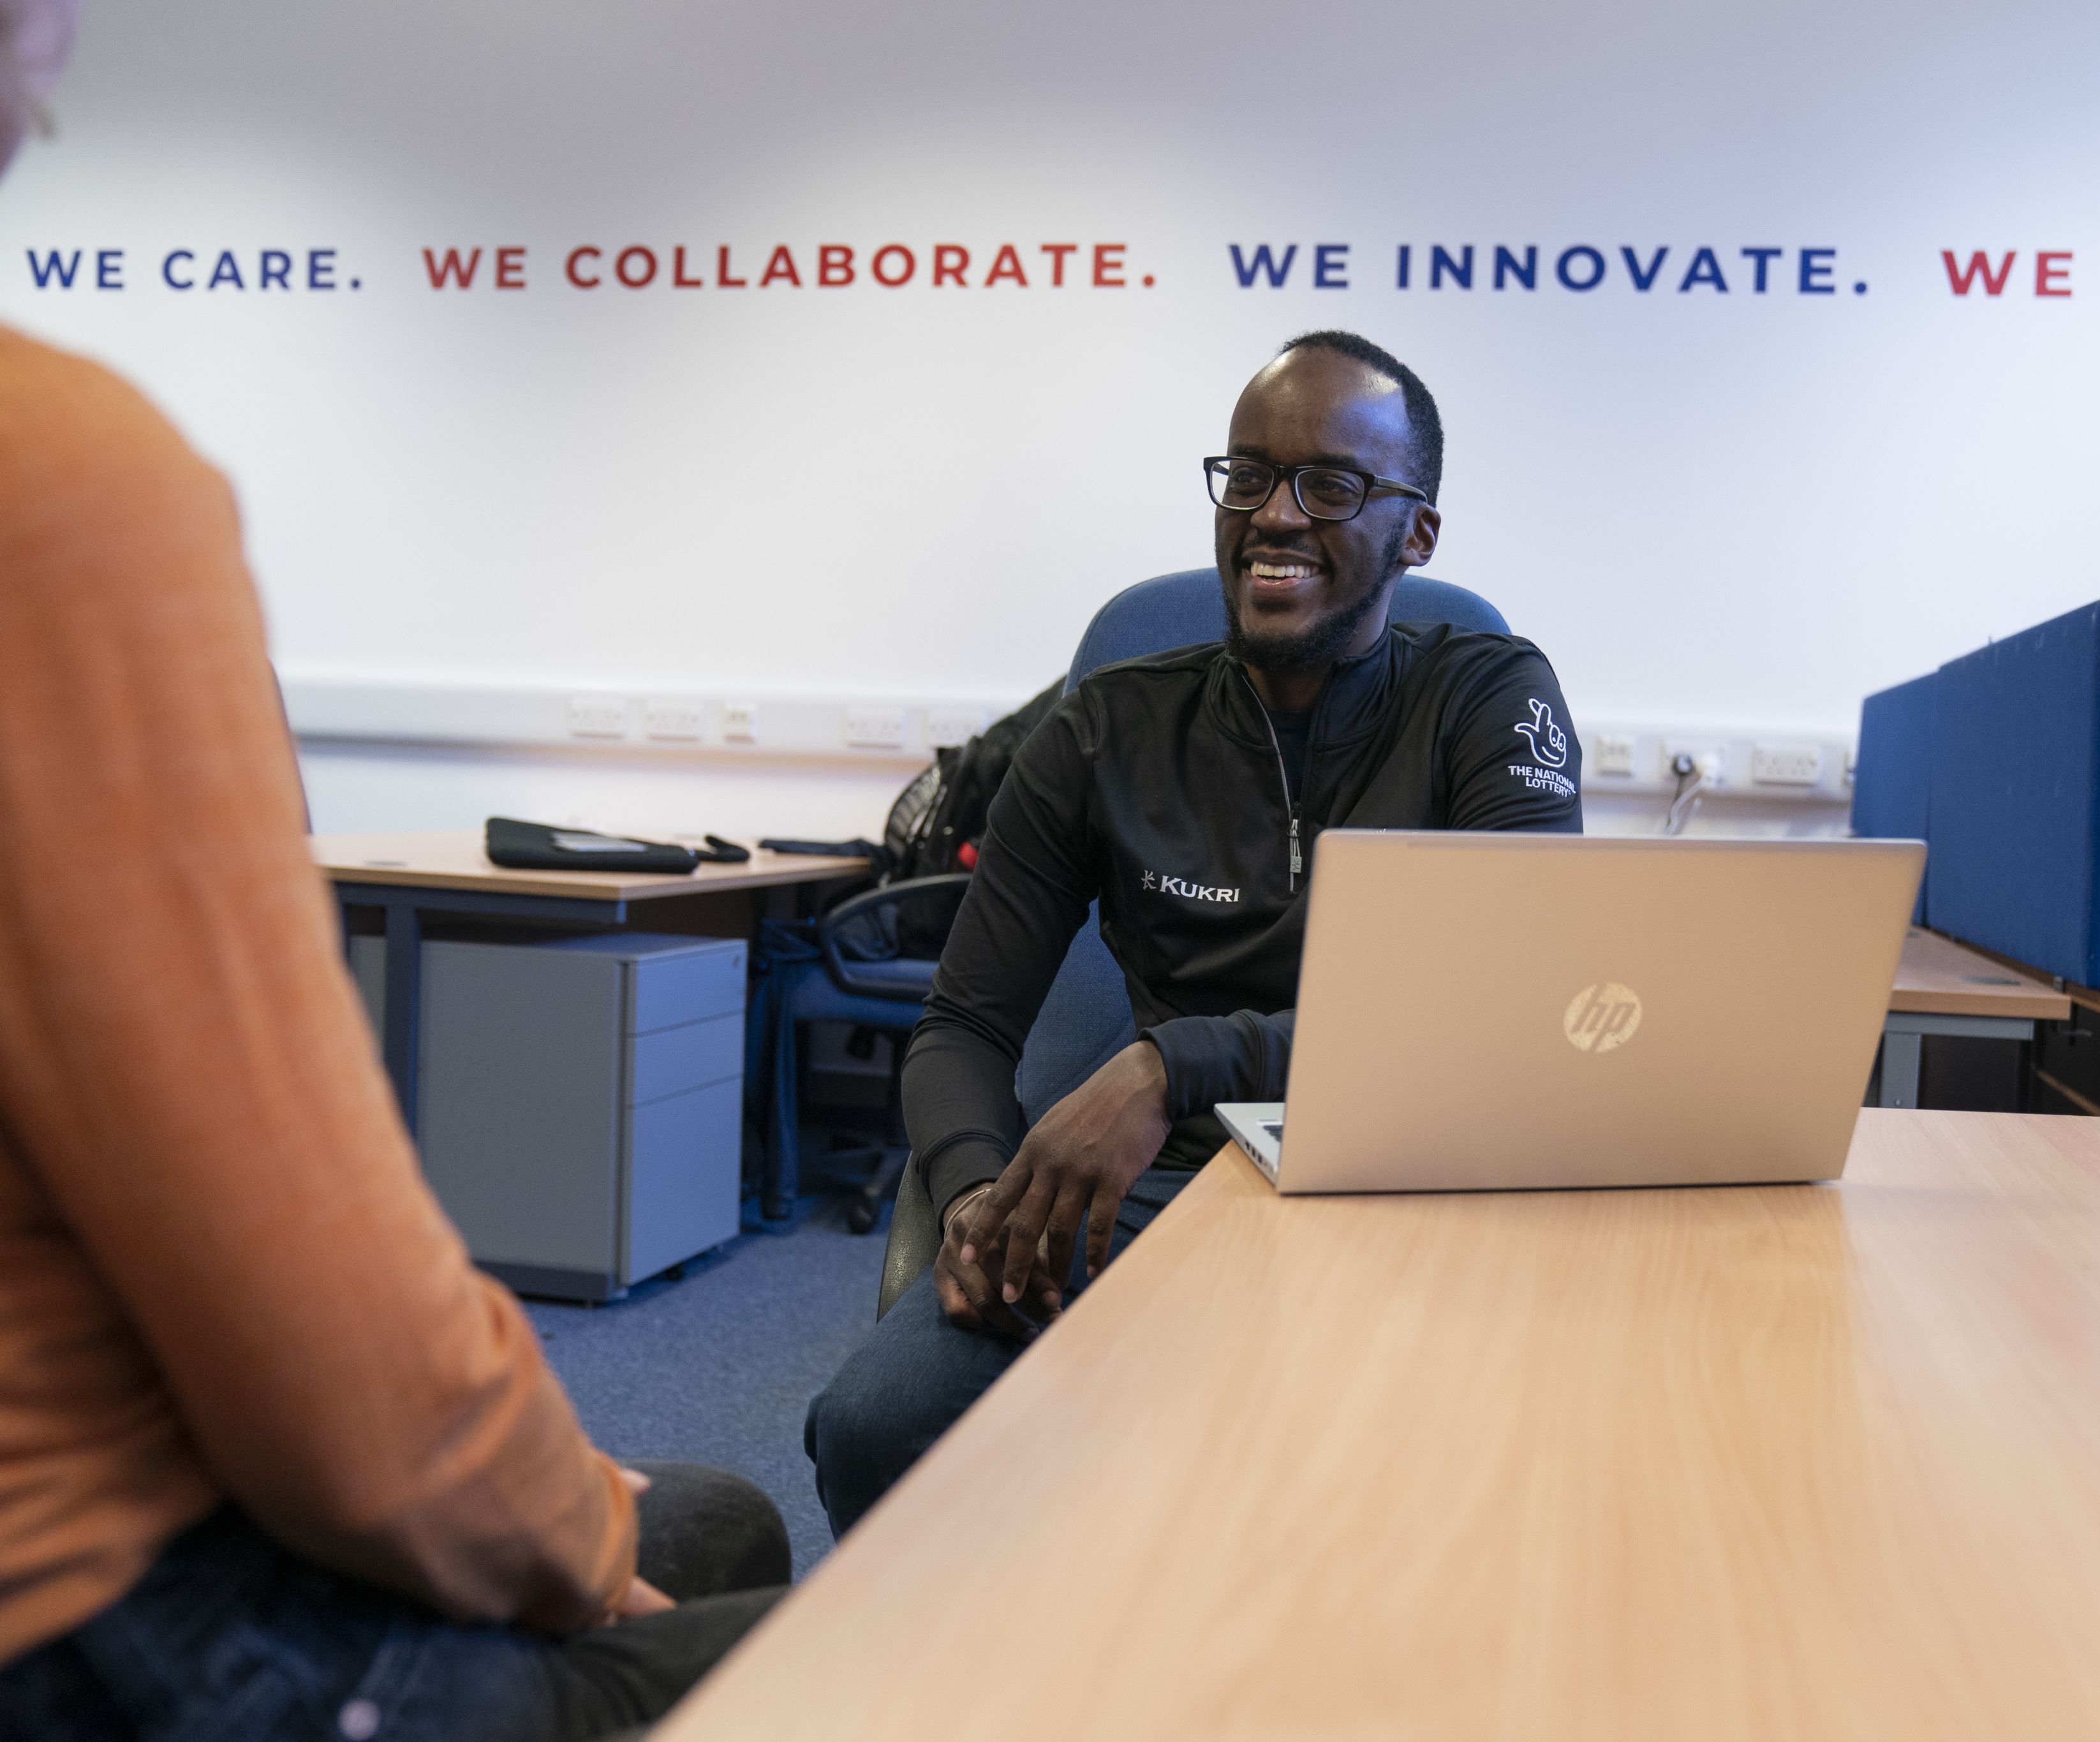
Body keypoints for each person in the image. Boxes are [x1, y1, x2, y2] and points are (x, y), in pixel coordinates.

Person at [0, 8, 787, 1737]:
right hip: (83, 1626)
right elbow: (340, 1370)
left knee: (709, 1518)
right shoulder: (58, 480)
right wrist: (577, 1533)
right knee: (855, 1625)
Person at [806, 330, 1585, 1532]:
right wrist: (971, 1199)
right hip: (1161, 1195)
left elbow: (1501, 1000)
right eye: (1248, 475)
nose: (1275, 515)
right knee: (878, 1427)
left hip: (1412, 1181)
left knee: (1491, 1466)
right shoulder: (1107, 729)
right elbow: (962, 1022)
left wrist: (1178, 1060)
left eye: (1331, 484)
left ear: (1416, 534)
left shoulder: (1484, 696)